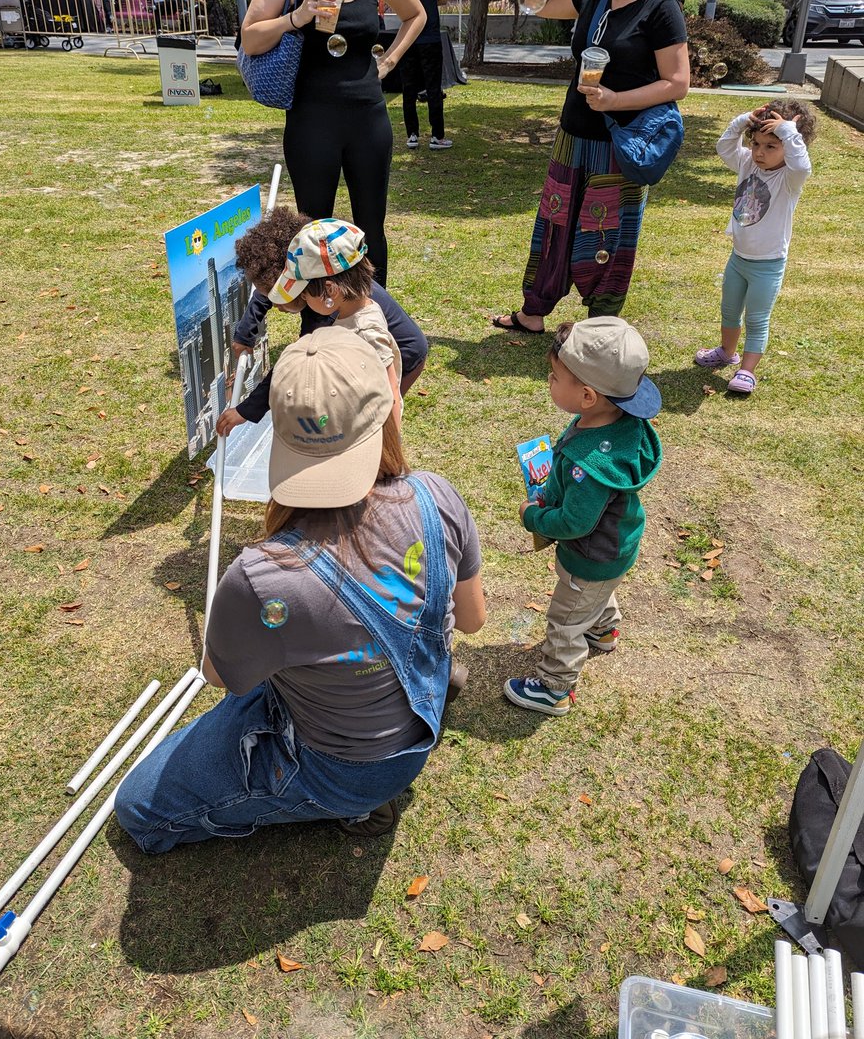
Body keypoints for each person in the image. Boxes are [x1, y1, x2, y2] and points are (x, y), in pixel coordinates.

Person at [115, 327, 485, 849]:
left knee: (138, 808)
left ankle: (351, 805)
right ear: (386, 408)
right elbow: (471, 620)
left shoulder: (263, 576)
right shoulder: (435, 495)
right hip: (418, 714)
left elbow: (222, 677)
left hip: (346, 770)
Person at [493, 0, 689, 333]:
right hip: (573, 136)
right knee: (555, 224)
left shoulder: (662, 8)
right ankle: (533, 313)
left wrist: (616, 101)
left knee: (608, 234)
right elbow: (534, 2)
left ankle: (600, 323)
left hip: (619, 145)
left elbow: (678, 82)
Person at [239, 0, 426, 285]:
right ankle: (317, 327)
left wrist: (390, 60)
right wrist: (296, 17)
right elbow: (249, 36)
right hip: (311, 120)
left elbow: (416, 14)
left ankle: (372, 323)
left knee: (370, 230)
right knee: (313, 233)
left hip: (367, 118)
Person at [504, 317, 662, 716]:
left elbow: (575, 523)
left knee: (565, 620)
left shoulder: (589, 466)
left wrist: (534, 518)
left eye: (555, 377)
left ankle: (555, 686)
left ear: (588, 396)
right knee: (594, 596)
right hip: (617, 545)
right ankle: (603, 629)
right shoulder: (621, 423)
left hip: (589, 557)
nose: (549, 382)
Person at [215, 207, 428, 436]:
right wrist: (246, 331)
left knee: (366, 419)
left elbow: (296, 364)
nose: (275, 304)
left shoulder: (327, 310)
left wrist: (246, 410)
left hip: (406, 355)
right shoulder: (321, 279)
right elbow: (264, 293)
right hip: (365, 355)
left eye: (282, 294)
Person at [694, 101, 815, 394]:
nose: (760, 152)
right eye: (756, 143)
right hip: (738, 258)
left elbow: (802, 164)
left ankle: (746, 371)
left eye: (772, 146)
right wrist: (741, 122)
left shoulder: (790, 178)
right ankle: (726, 351)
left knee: (757, 319)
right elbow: (724, 147)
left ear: (790, 144)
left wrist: (788, 131)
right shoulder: (748, 162)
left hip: (768, 264)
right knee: (729, 310)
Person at [268, 217, 404, 425]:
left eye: (305, 295)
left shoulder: (366, 332)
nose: (304, 299)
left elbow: (390, 392)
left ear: (330, 290)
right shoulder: (349, 314)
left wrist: (390, 453)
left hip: (370, 436)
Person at [394, 0, 451, 151]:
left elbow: (392, 1)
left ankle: (412, 135)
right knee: (433, 87)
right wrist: (427, 2)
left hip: (407, 38)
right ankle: (437, 136)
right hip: (430, 36)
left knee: (408, 87)